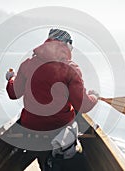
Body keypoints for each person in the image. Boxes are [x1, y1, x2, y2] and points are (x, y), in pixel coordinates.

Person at [5, 29, 98, 170]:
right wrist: (94, 97)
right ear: (66, 45)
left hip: (30, 127)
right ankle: (59, 156)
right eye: (71, 46)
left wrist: (11, 78)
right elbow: (83, 105)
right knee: (75, 120)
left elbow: (13, 93)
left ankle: (40, 157)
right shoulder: (71, 69)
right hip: (58, 128)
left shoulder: (27, 64)